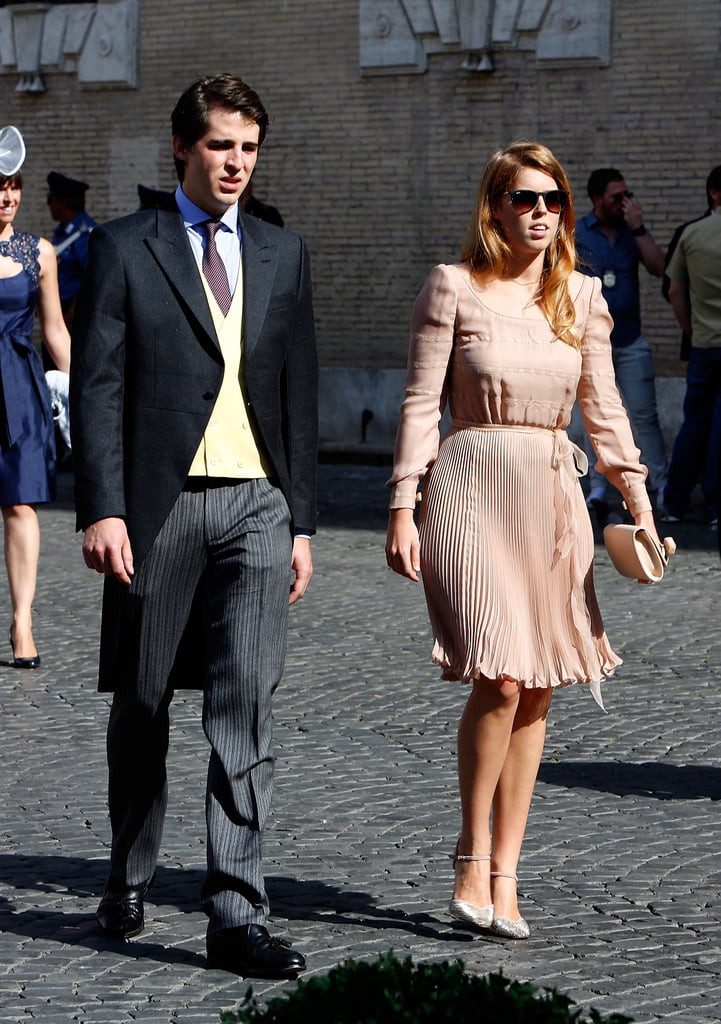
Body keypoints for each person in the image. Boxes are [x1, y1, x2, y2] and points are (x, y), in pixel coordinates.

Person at [70, 74, 318, 979]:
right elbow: (98, 386)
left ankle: (234, 913)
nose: (236, 164)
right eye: (221, 146)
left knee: (242, 707)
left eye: (248, 148)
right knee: (141, 705)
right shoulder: (125, 246)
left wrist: (301, 523)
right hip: (157, 509)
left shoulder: (281, 252)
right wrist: (102, 504)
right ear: (182, 148)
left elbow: (297, 393)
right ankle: (130, 868)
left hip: (256, 506)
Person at [385, 141, 661, 940]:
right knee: (500, 675)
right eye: (524, 197)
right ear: (495, 206)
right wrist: (403, 504)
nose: (541, 212)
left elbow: (604, 413)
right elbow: (416, 403)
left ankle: (507, 872)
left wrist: (639, 502)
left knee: (538, 685)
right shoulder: (452, 287)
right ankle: (470, 857)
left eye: (554, 200)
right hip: (469, 485)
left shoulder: (579, 294)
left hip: (549, 494)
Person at [0, 162, 70, 668]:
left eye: (15, 187)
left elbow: (56, 332)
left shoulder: (39, 252)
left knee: (21, 505)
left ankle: (22, 619)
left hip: (18, 390)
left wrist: (87, 399)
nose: (8, 197)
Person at [575, 167, 667, 523]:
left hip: (629, 340)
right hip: (588, 342)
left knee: (645, 415)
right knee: (591, 417)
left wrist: (639, 227)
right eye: (617, 197)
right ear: (597, 199)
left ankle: (660, 484)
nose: (624, 202)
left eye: (627, 195)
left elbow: (659, 267)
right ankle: (598, 490)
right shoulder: (578, 231)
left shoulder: (633, 231)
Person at [663, 165, 721, 526]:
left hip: (704, 343)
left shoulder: (692, 234)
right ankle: (716, 508)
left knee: (694, 423)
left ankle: (675, 502)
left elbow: (673, 291)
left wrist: (692, 329)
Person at [46, 171, 96, 331]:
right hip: (58, 311)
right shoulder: (63, 230)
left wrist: (71, 313)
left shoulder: (84, 233)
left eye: (50, 200)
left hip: (74, 316)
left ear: (62, 202)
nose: (50, 206)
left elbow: (91, 277)